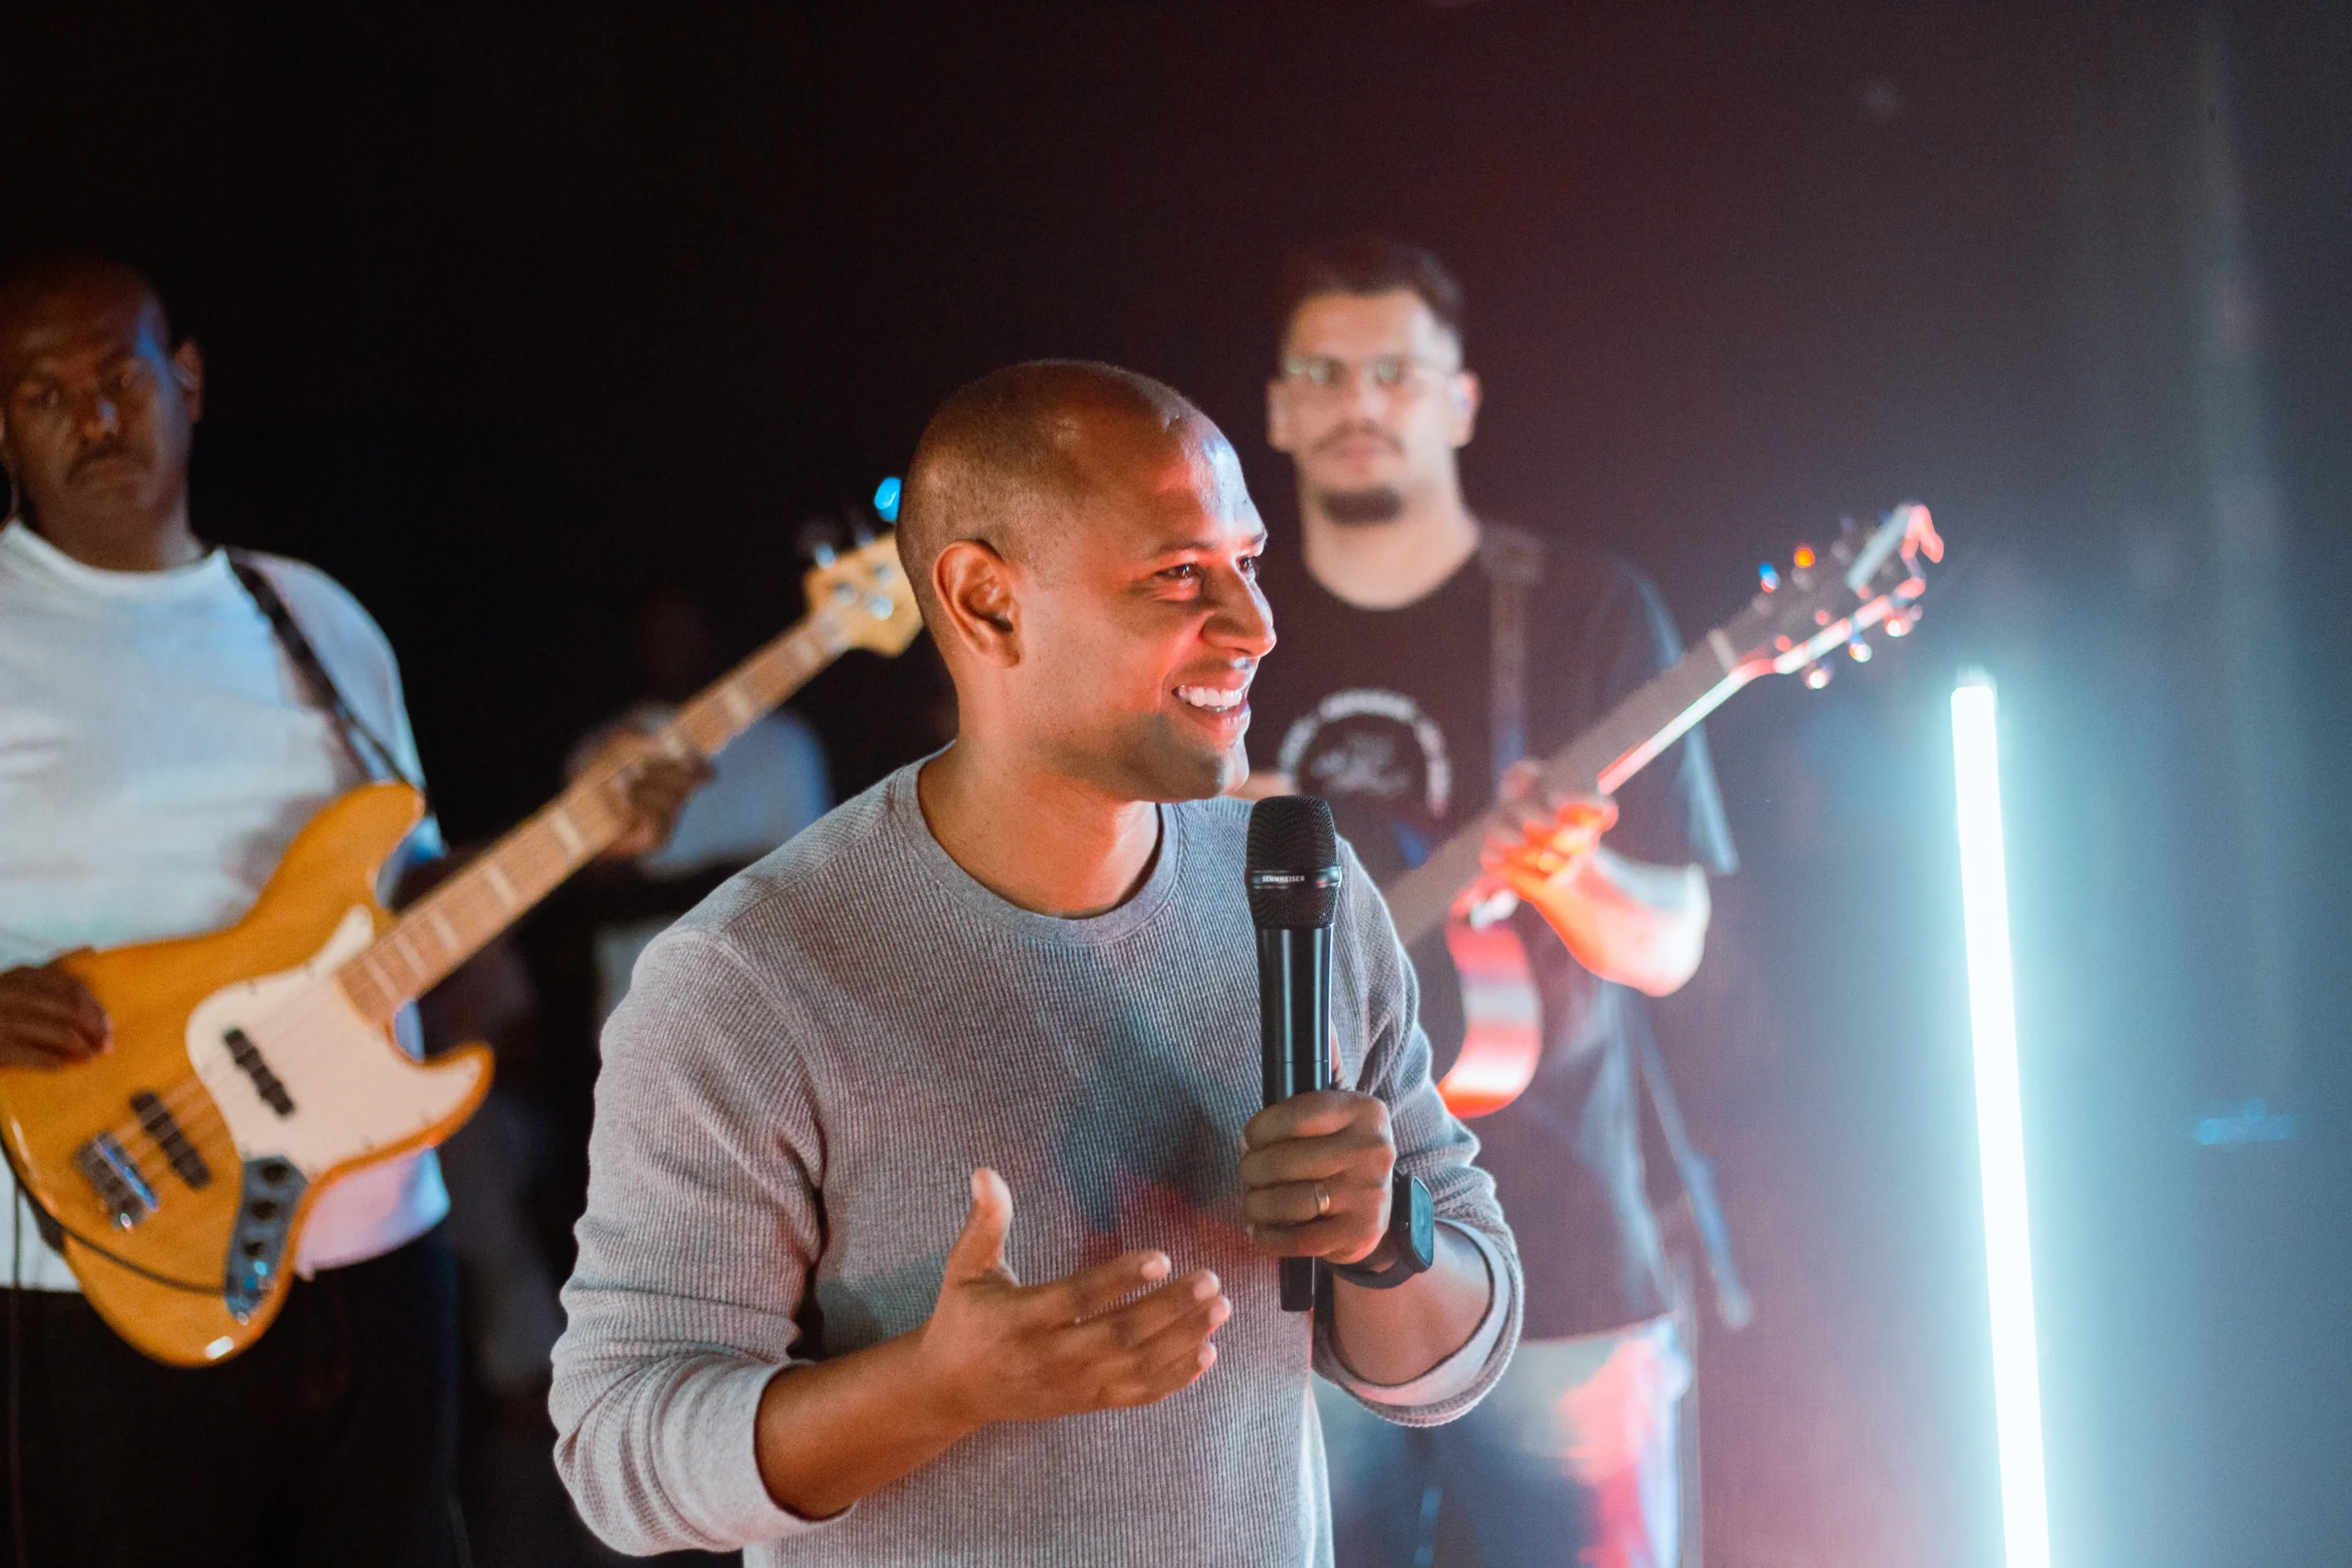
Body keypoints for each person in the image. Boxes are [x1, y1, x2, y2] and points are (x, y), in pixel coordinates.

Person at [550, 361, 1524, 1565]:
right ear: (987, 603)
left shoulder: (1300, 887)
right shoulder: (747, 976)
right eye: (1180, 574)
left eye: (1249, 561)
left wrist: (1384, 1239)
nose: (1256, 625)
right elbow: (620, 1453)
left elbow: (1455, 1357)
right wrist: (937, 1388)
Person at [0, 254, 702, 1567]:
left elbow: (406, 902)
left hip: (378, 1244)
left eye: (118, 380)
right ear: (3, 431)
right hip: (109, 1261)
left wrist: (579, 832)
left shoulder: (313, 618)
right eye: (45, 395)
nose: (93, 420)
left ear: (185, 382)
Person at [1243, 237, 1736, 1568]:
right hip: (1280, 1281)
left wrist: (1569, 874)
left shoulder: (1584, 611)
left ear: (1458, 400)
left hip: (1557, 1256)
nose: (1359, 401)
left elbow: (1671, 945)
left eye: (1395, 372)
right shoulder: (1223, 629)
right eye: (1324, 373)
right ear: (1278, 408)